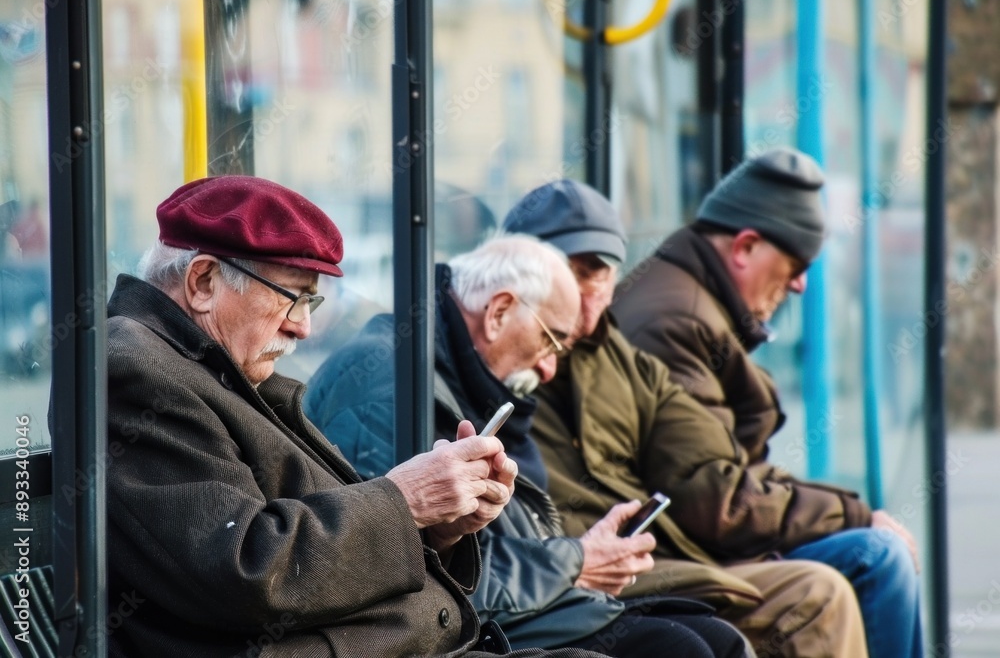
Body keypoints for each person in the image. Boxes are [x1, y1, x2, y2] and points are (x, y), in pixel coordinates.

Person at [105, 175, 609, 658]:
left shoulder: (213, 365)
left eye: (312, 300)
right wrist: (407, 500)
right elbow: (243, 566)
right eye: (292, 298)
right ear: (204, 281)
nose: (303, 327)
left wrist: (439, 527)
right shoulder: (135, 369)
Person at [305, 235, 751, 657]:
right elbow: (397, 573)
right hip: (472, 623)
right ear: (499, 312)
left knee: (714, 639)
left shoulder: (454, 373)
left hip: (523, 607)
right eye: (551, 339)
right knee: (683, 647)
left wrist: (578, 557)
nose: (551, 366)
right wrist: (575, 561)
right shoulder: (392, 392)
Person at [503, 179, 874, 658]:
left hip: (657, 561)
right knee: (830, 585)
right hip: (580, 580)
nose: (582, 301)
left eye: (598, 275)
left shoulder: (622, 356)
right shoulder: (500, 352)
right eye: (570, 274)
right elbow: (718, 495)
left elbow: (710, 462)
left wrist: (853, 511)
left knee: (836, 579)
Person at [609, 149, 923, 658]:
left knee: (876, 547)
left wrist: (852, 512)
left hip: (693, 543)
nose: (799, 283)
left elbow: (730, 476)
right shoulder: (677, 320)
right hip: (677, 556)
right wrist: (856, 515)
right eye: (796, 265)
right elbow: (719, 501)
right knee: (877, 556)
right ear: (746, 246)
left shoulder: (691, 302)